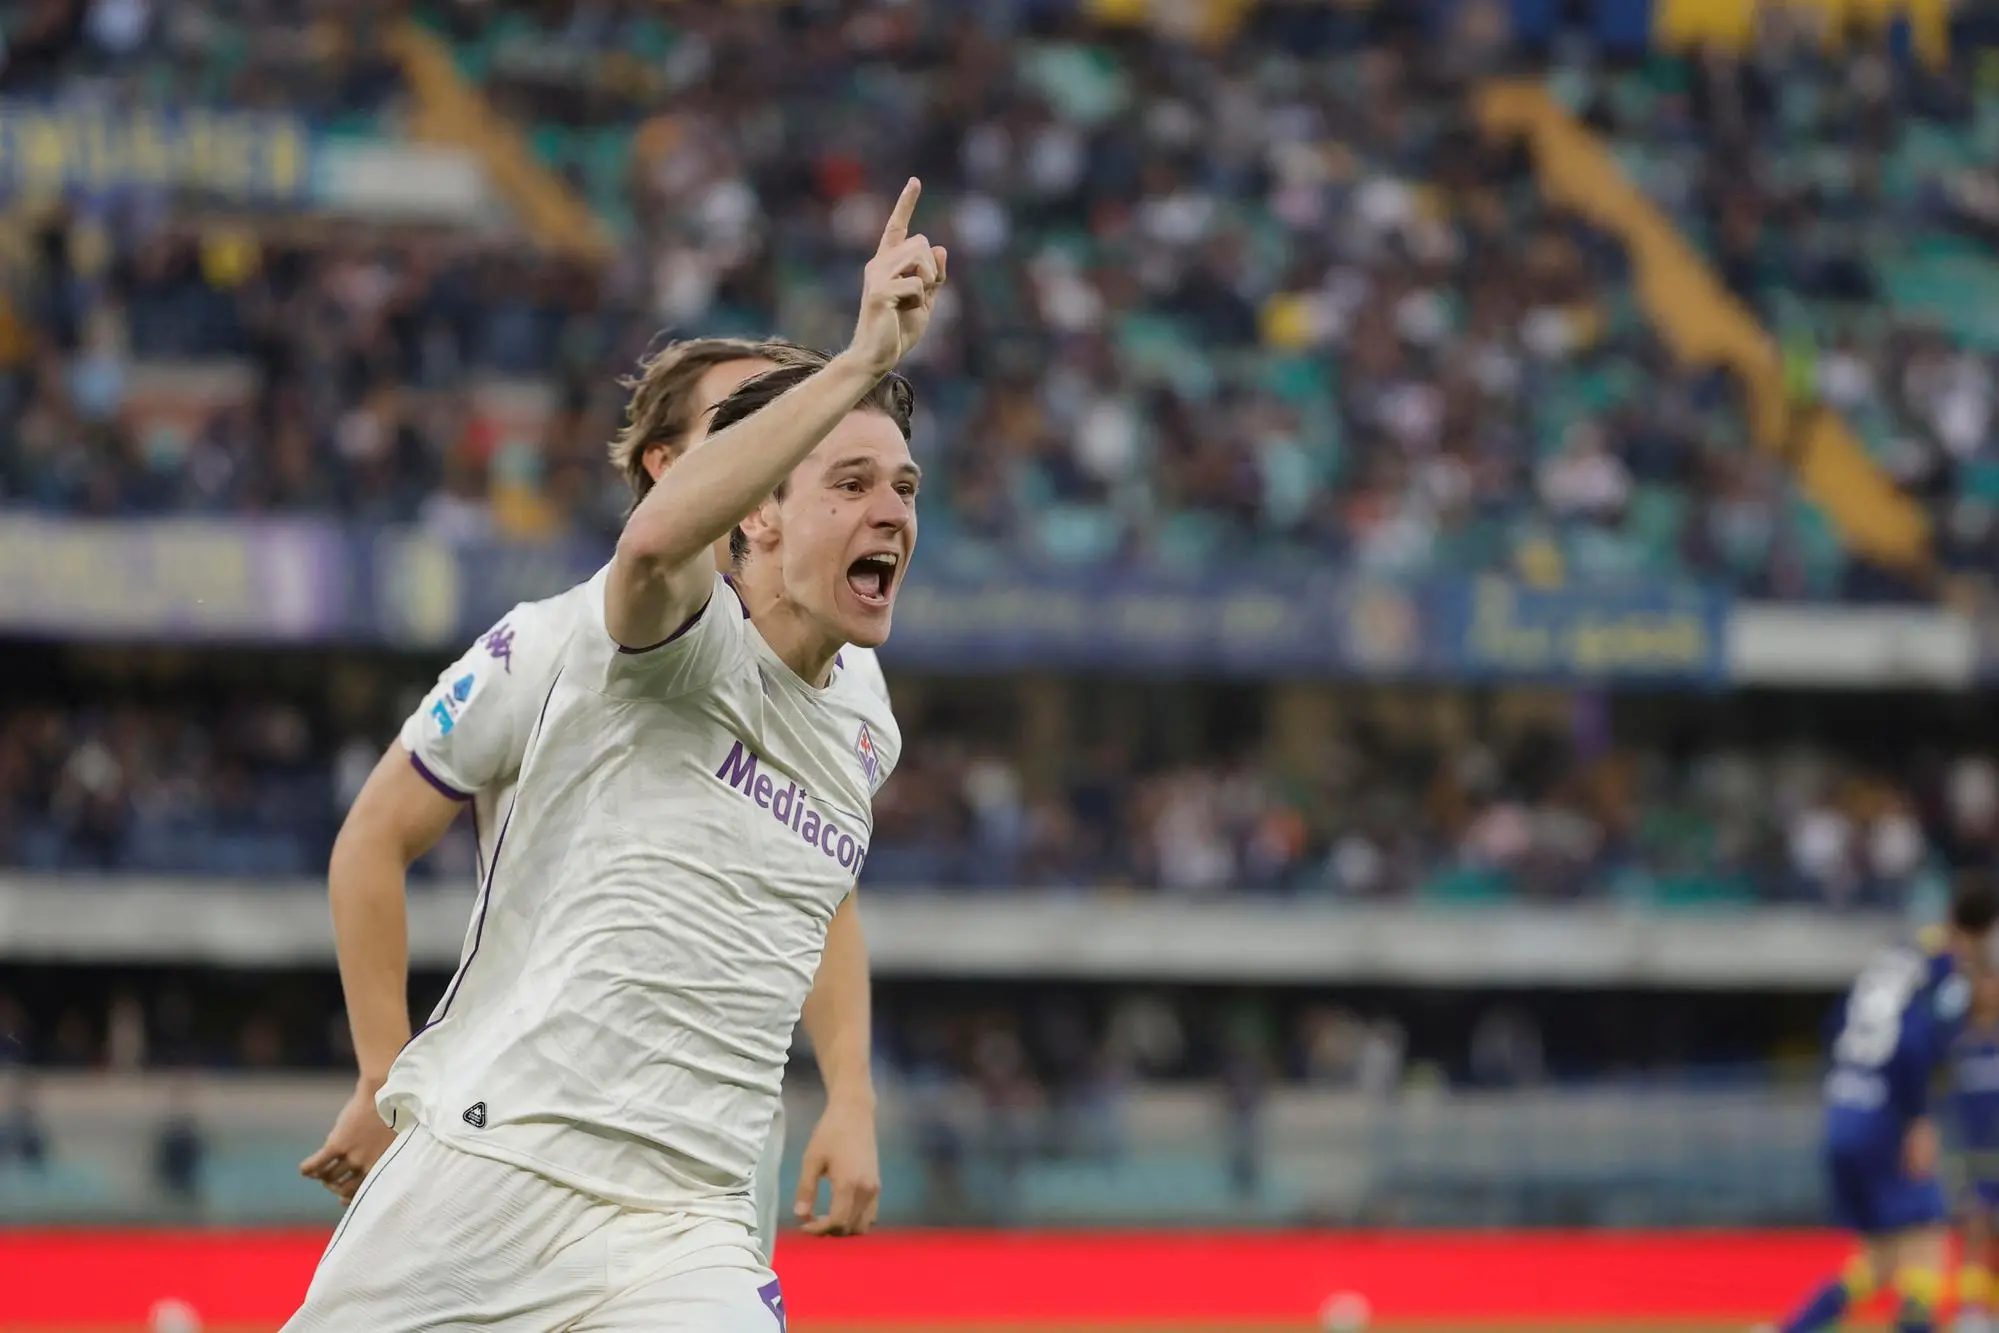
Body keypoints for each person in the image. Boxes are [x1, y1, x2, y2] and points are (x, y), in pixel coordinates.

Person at [283, 176, 944, 1331]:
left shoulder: (865, 717)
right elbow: (376, 836)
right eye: (842, 474)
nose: (890, 507)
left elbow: (813, 896)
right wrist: (383, 1075)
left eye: (902, 486)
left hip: (682, 1220)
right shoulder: (627, 635)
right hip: (491, 1171)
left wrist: (851, 1091)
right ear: (740, 502)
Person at [1764, 884, 1999, 1333]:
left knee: (1884, 1259)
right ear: (1981, 931)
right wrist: (1918, 1117)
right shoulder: (1946, 971)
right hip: (1886, 1119)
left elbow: (1834, 1023)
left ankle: (1789, 1330)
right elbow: (1917, 1044)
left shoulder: (1895, 958)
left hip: (1844, 1106)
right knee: (1929, 1241)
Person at [1951, 968, 1999, 1333]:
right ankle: (1972, 1311)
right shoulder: (1961, 1044)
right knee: (1976, 1232)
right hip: (1975, 1158)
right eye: (1985, 983)